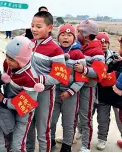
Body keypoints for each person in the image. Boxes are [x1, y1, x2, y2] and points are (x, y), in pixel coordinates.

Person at [26, 11, 66, 152]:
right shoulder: (28, 44)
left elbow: (60, 77)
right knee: (27, 126)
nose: (34, 29)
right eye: (32, 26)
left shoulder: (56, 50)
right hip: (27, 93)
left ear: (49, 28)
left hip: (45, 94)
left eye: (38, 26)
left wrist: (38, 79)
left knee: (43, 130)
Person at [0, 36, 44, 151]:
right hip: (9, 106)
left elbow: (25, 105)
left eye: (11, 59)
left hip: (23, 114)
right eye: (7, 56)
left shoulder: (31, 79)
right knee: (7, 139)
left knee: (18, 145)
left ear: (22, 60)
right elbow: (6, 77)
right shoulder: (8, 64)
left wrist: (3, 100)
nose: (8, 61)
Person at [50, 24, 86, 152]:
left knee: (68, 122)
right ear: (58, 37)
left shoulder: (78, 54)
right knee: (51, 119)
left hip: (70, 94)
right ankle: (51, 140)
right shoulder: (54, 51)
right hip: (54, 92)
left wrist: (70, 91)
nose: (66, 38)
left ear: (74, 37)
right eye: (63, 35)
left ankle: (66, 146)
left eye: (69, 35)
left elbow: (81, 78)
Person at [74, 20, 105, 152]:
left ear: (86, 35)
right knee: (72, 114)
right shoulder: (78, 46)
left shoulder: (97, 52)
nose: (76, 34)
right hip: (74, 86)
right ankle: (70, 137)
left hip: (87, 88)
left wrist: (84, 70)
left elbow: (98, 73)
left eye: (79, 32)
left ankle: (85, 146)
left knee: (85, 116)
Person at [98, 36, 122, 152]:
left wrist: (101, 74)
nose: (119, 49)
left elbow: (116, 79)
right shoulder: (121, 60)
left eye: (121, 47)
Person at [93, 32, 119, 150]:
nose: (103, 44)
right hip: (91, 92)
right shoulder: (91, 55)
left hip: (105, 95)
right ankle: (80, 132)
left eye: (106, 42)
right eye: (101, 41)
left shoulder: (115, 58)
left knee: (103, 118)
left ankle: (102, 139)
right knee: (84, 116)